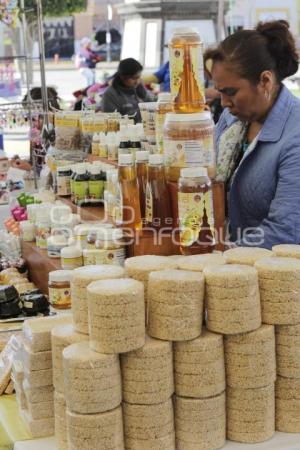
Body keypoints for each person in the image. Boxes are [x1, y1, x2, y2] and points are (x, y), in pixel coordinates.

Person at [204, 20, 300, 249]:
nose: (224, 102)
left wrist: (223, 260)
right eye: (220, 92)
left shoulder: (294, 135)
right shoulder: (232, 120)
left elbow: (284, 231)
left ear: (265, 81)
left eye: (231, 92)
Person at [101, 58, 155, 122]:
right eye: (134, 78)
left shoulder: (139, 88)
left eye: (139, 77)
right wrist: (142, 111)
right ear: (122, 77)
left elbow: (152, 104)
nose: (137, 81)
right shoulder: (110, 94)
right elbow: (112, 121)